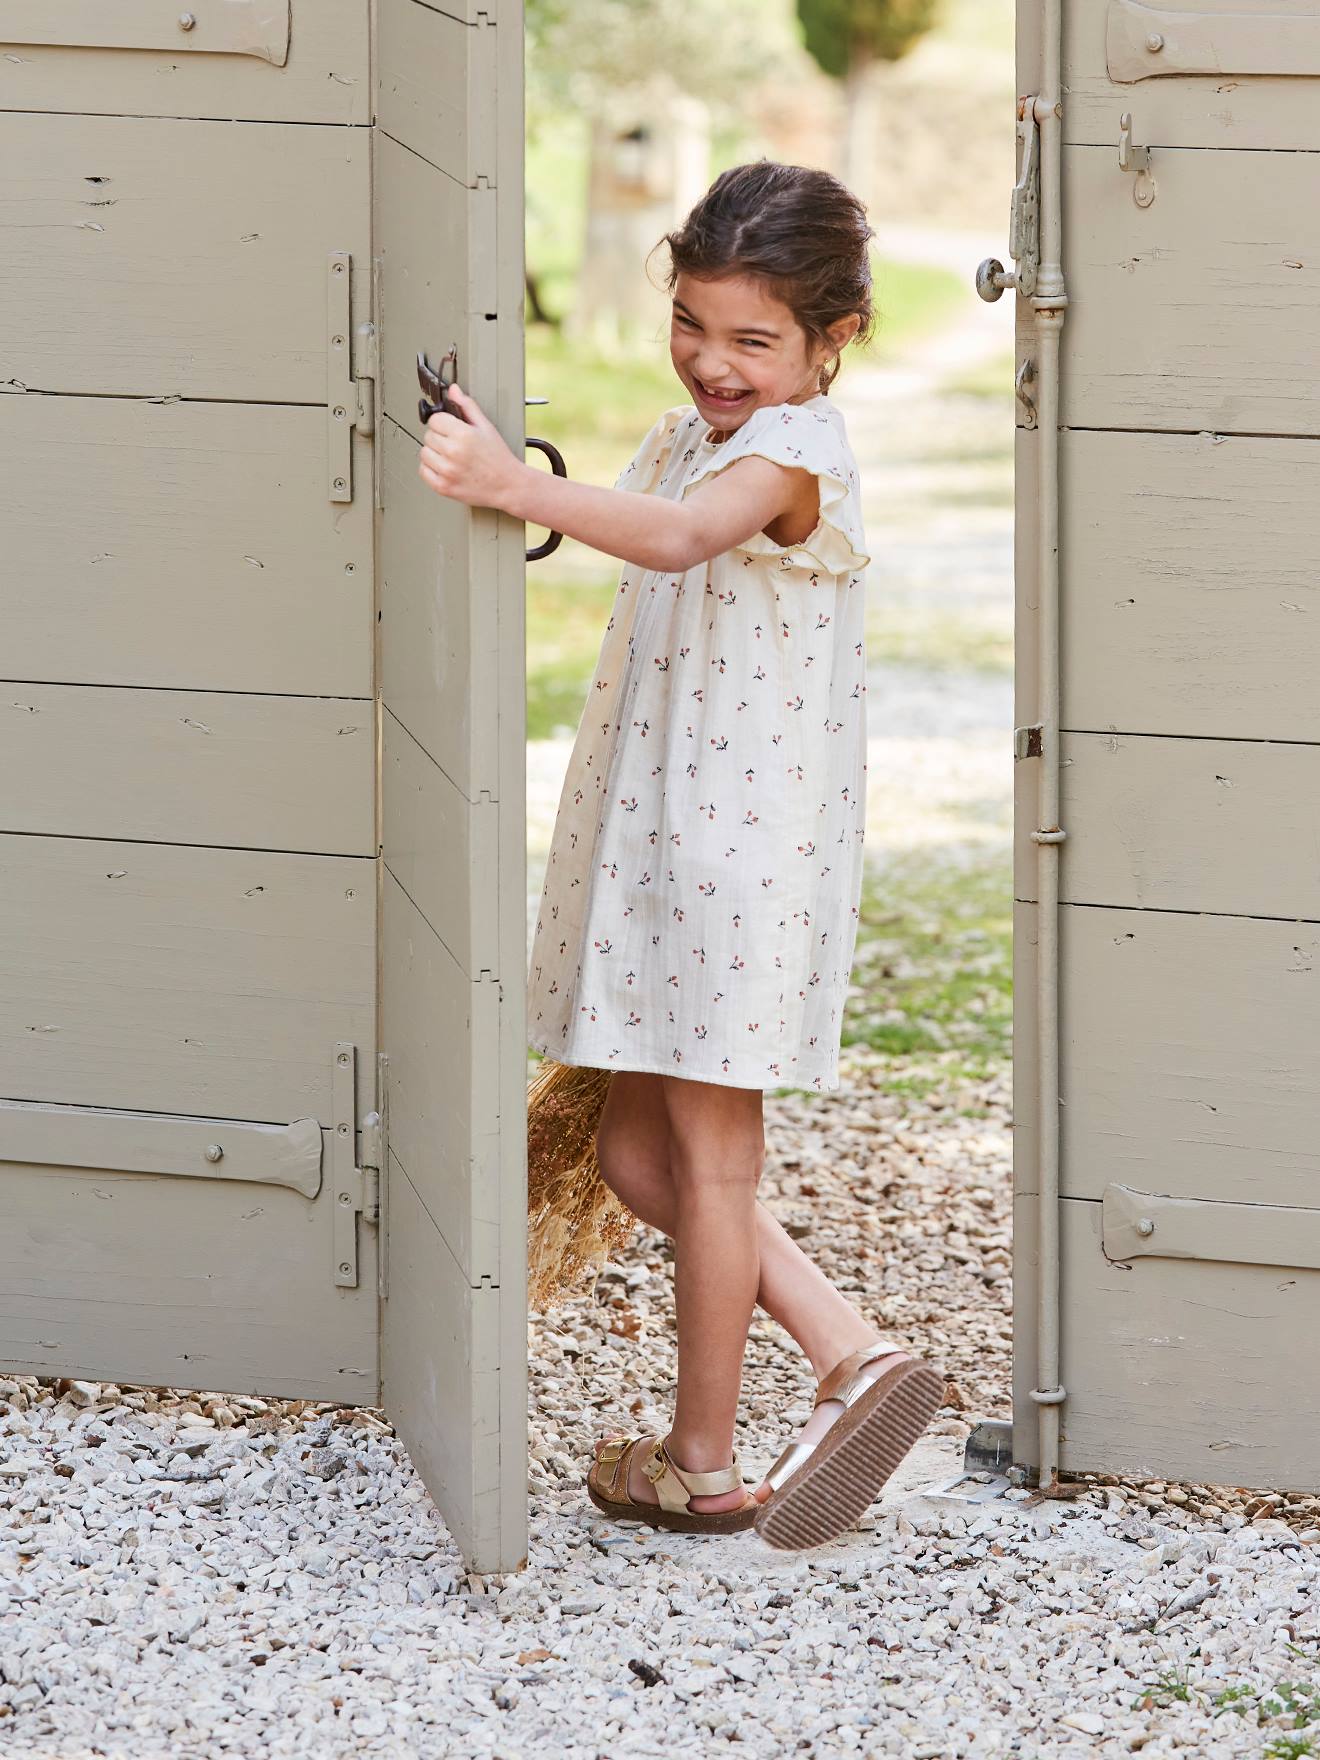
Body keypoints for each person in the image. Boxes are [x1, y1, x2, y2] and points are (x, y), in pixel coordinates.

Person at [418, 159, 946, 1550]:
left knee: (709, 1165)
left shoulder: (795, 456)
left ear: (835, 341)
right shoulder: (703, 427)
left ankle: (701, 1464)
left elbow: (671, 541)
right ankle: (849, 1354)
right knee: (648, 1157)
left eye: (755, 340)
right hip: (674, 847)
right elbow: (647, 510)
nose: (715, 363)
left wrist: (502, 482)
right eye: (693, 324)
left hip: (734, 864)